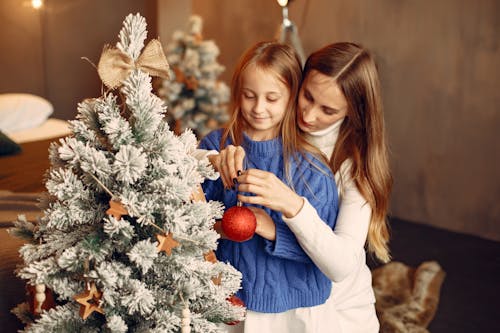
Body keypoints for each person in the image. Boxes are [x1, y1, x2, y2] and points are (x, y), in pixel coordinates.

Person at [212, 42, 392, 333]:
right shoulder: (272, 120)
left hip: (333, 303)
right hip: (270, 293)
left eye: (328, 110)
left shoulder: (354, 168)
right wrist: (214, 158)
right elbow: (217, 145)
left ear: (352, 113)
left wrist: (292, 205)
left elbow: (341, 265)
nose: (308, 115)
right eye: (307, 97)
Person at [198, 41, 339, 332]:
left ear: (292, 98)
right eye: (249, 96)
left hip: (292, 307)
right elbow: (183, 218)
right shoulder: (215, 145)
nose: (258, 108)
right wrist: (219, 227)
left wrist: (272, 229)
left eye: (272, 98)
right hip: (228, 300)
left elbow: (324, 253)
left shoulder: (311, 167)